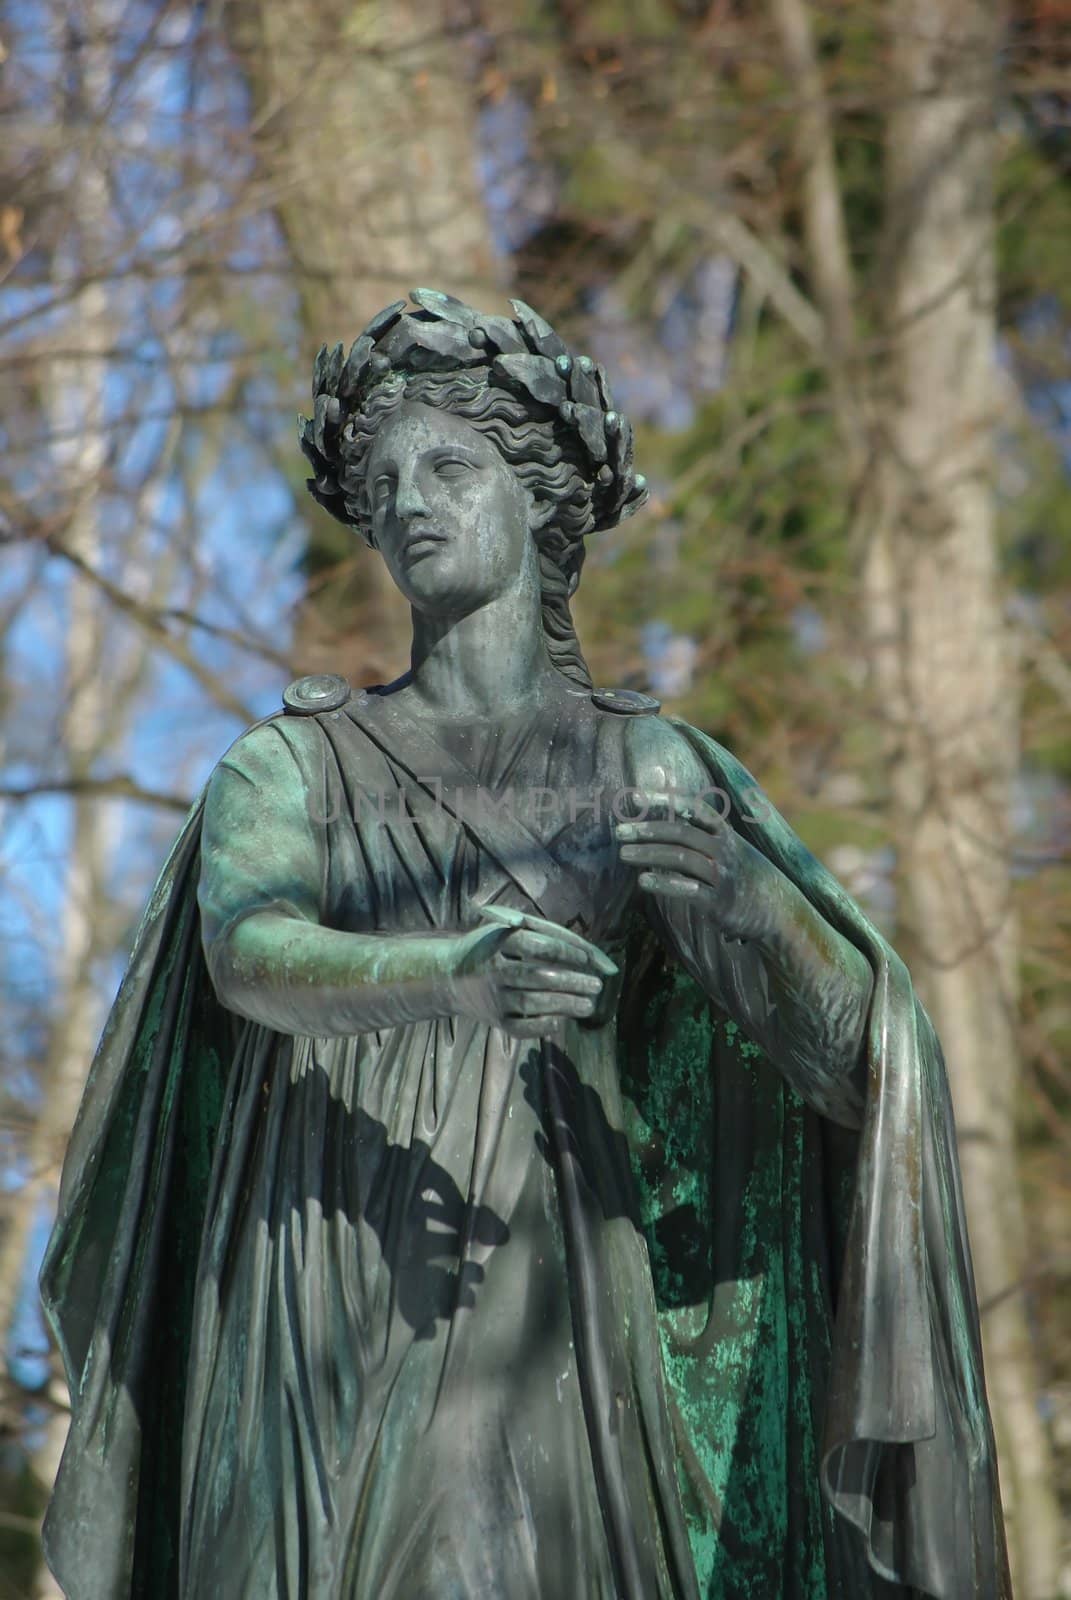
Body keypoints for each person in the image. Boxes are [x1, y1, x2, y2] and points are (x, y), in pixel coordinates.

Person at [40, 290, 1010, 1599]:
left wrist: (743, 904)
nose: (409, 503)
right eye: (382, 483)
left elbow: (860, 1058)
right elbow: (249, 952)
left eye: (450, 464)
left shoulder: (644, 764)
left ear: (538, 492)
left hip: (556, 1303)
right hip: (321, 1272)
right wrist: (448, 972)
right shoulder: (293, 763)